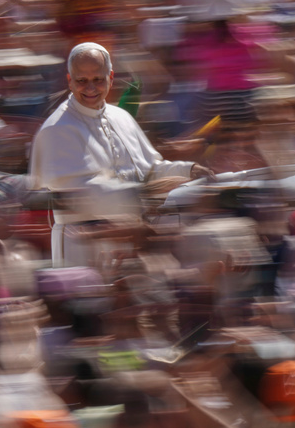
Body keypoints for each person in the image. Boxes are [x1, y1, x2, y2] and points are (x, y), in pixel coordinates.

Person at [30, 42, 213, 267]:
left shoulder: (122, 117)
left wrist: (189, 170)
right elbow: (81, 193)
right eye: (81, 80)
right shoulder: (57, 129)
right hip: (85, 247)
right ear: (70, 80)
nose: (90, 88)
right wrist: (145, 192)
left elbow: (150, 169)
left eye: (98, 79)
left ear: (111, 77)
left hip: (133, 239)